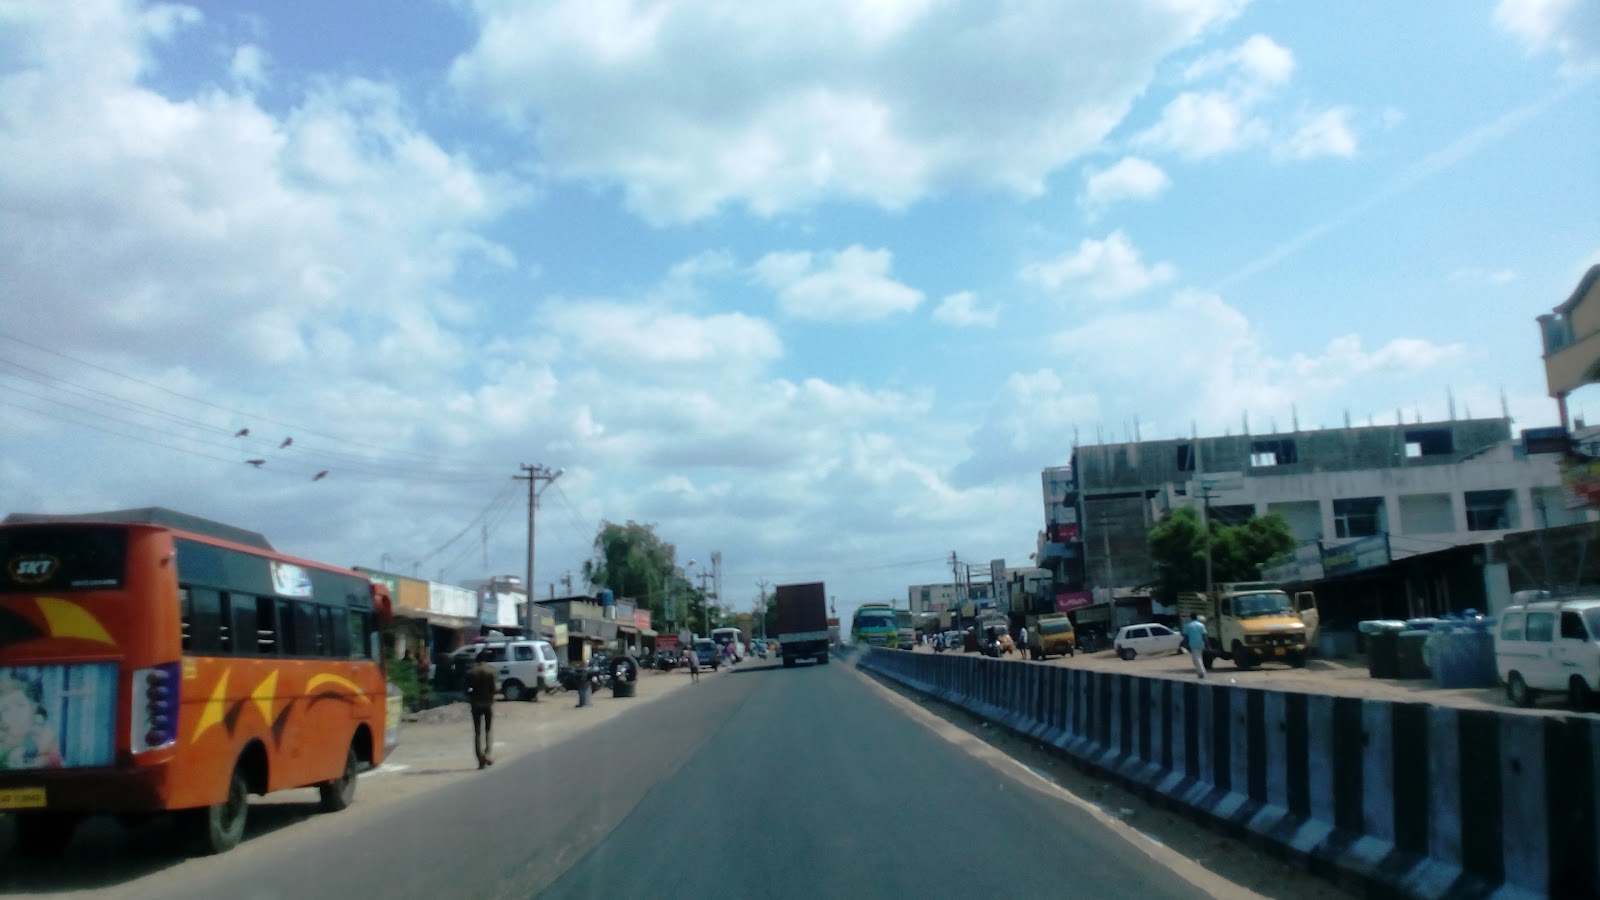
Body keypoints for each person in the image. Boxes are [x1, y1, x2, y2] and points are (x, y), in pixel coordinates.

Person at [464, 650, 498, 768]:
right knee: (488, 729)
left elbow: (466, 689)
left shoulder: (471, 672)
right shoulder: (491, 670)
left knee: (477, 732)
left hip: (475, 703)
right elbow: (494, 688)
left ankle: (480, 758)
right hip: (488, 703)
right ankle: (487, 754)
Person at [1183, 614, 1209, 680]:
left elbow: (1186, 636)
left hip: (1193, 644)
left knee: (1197, 659)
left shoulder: (1188, 625)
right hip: (1201, 643)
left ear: (1191, 618)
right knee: (1199, 657)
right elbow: (1204, 635)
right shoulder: (1201, 625)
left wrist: (1185, 644)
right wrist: (1206, 644)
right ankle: (1200, 672)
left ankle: (1201, 673)